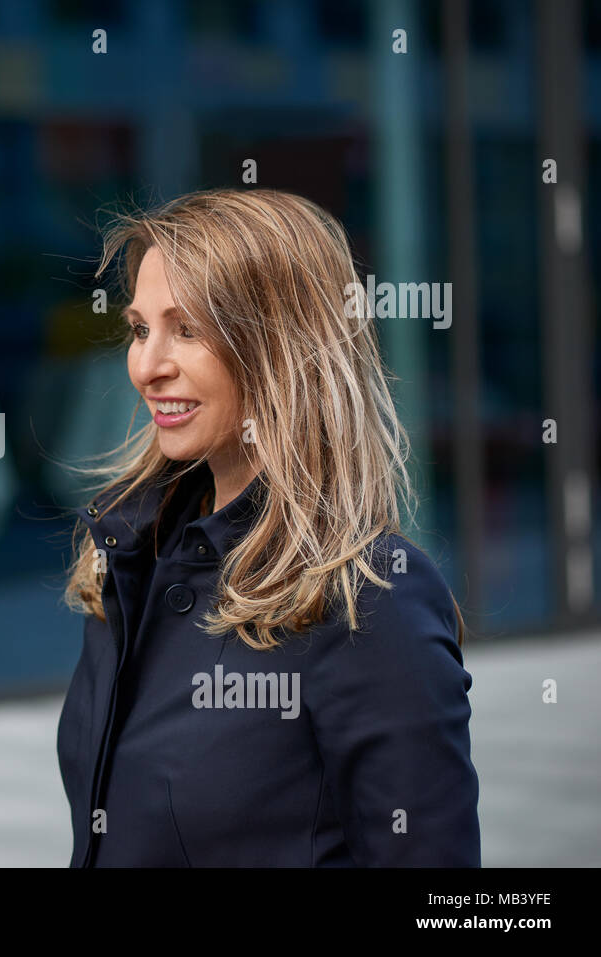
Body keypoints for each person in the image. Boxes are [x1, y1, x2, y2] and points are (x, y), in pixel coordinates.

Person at [57, 188, 480, 867]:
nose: (146, 365)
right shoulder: (131, 555)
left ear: (281, 345)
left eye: (187, 329)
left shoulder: (370, 598)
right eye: (139, 329)